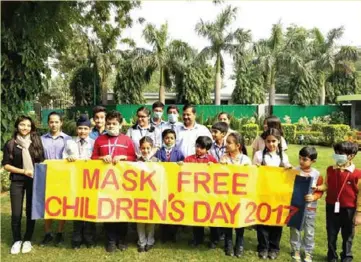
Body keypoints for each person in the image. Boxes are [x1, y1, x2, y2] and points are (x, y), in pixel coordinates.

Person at [91, 110, 137, 252]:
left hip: (123, 183)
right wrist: (100, 159)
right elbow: (92, 158)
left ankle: (122, 239)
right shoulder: (99, 140)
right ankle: (110, 240)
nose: (111, 126)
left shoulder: (127, 140)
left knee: (122, 211)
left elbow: (134, 159)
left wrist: (123, 157)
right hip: (105, 183)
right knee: (108, 210)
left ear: (120, 124)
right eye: (109, 123)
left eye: (114, 123)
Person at [2, 115, 45, 254]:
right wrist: (23, 171)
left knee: (30, 210)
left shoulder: (36, 142)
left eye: (27, 125)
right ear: (17, 126)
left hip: (34, 180)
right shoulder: (11, 144)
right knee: (16, 212)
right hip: (17, 180)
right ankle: (16, 240)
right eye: (22, 125)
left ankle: (27, 239)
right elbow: (6, 165)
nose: (25, 128)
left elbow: (41, 160)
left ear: (31, 127)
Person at [314, 141, 361, 262]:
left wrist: (359, 213)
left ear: (351, 155)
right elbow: (327, 185)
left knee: (348, 234)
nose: (337, 155)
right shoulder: (330, 169)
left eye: (341, 153)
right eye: (336, 153)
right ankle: (332, 256)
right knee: (331, 232)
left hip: (349, 209)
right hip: (331, 206)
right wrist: (318, 188)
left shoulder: (357, 174)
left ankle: (346, 256)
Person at [253, 128, 291, 260]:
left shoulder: (283, 156)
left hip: (278, 195)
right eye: (268, 141)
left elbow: (288, 170)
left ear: (279, 141)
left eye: (274, 141)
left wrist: (289, 169)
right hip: (263, 193)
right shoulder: (258, 155)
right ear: (265, 141)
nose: (271, 144)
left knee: (277, 221)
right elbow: (253, 173)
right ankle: (263, 247)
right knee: (262, 221)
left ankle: (274, 248)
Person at [63, 115, 96, 249]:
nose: (82, 131)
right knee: (77, 207)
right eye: (80, 128)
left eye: (85, 128)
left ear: (89, 129)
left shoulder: (94, 143)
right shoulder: (70, 143)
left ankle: (89, 237)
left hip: (90, 181)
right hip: (75, 180)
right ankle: (76, 237)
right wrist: (68, 159)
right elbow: (63, 158)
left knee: (89, 208)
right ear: (77, 129)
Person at [40, 112, 71, 247]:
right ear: (48, 123)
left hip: (63, 176)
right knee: (47, 203)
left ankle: (59, 232)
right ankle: (47, 233)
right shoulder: (41, 139)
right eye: (51, 122)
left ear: (61, 123)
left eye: (56, 122)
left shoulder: (68, 139)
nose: (54, 124)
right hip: (46, 175)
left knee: (61, 204)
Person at [182, 136, 218, 248]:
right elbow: (182, 172)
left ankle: (214, 239)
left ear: (207, 149)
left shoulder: (212, 160)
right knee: (197, 217)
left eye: (201, 148)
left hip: (208, 194)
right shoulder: (188, 159)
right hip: (194, 193)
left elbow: (219, 175)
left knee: (212, 217)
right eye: (197, 146)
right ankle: (198, 238)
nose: (198, 149)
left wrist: (214, 168)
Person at [220, 132, 251, 257]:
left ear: (238, 145)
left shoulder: (246, 160)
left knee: (239, 220)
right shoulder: (224, 158)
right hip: (227, 194)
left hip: (241, 195)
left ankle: (240, 243)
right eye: (226, 142)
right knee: (228, 219)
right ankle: (228, 243)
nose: (226, 145)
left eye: (229, 143)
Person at [289, 147, 323, 262]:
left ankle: (308, 252)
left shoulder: (317, 174)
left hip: (310, 209)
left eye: (304, 159)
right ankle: (296, 249)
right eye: (299, 158)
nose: (301, 161)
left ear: (313, 161)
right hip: (295, 207)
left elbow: (320, 190)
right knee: (295, 229)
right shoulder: (295, 171)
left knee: (309, 231)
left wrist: (314, 197)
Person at [155, 129, 184, 243]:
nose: (169, 140)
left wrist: (182, 164)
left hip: (174, 184)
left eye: (172, 138)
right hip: (162, 184)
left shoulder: (179, 152)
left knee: (173, 208)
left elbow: (184, 167)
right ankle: (164, 233)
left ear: (175, 140)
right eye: (167, 138)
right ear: (163, 139)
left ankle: (173, 234)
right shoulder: (159, 152)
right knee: (163, 207)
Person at [136, 136, 160, 252]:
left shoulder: (156, 161)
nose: (145, 151)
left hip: (152, 195)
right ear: (140, 148)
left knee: (151, 219)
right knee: (139, 220)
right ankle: (141, 242)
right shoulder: (136, 161)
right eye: (143, 148)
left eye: (148, 148)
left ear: (152, 148)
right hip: (139, 195)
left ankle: (150, 240)